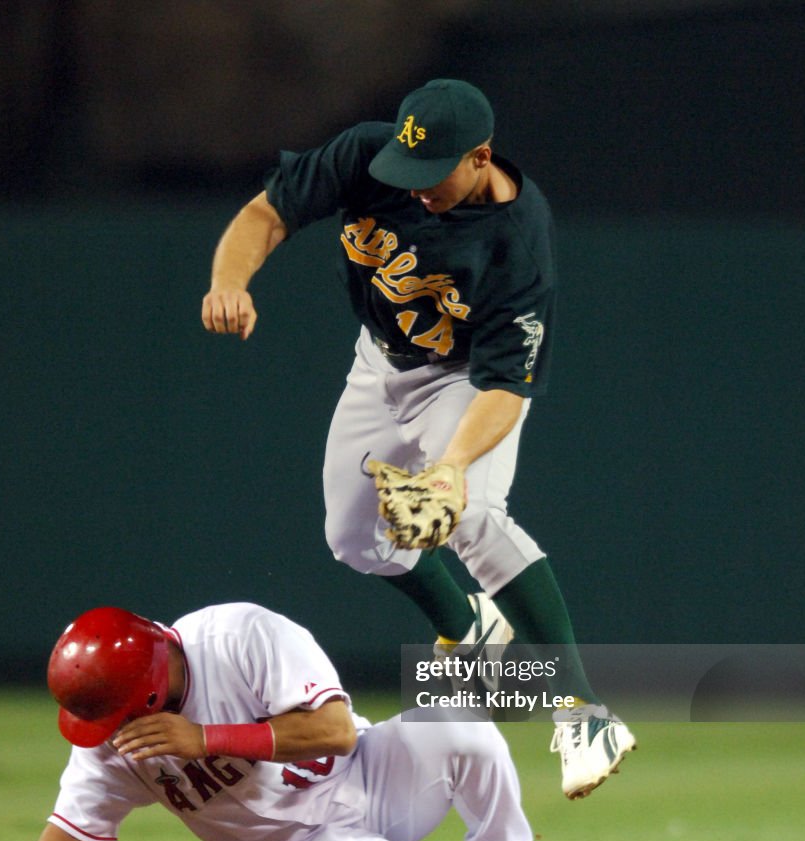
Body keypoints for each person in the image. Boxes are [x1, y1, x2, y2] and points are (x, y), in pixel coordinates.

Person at [200, 78, 635, 799]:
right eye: (410, 172)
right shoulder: (371, 155)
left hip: (466, 380)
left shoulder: (517, 240)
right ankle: (467, 625)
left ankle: (581, 710)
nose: (417, 190)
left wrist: (452, 466)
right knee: (353, 537)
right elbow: (266, 213)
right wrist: (230, 279)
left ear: (480, 157)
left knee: (467, 516)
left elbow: (506, 386)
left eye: (433, 177)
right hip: (380, 360)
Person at [0, 603, 616, 841]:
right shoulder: (115, 743)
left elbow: (334, 732)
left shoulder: (239, 635)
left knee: (459, 727)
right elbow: (69, 838)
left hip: (367, 771)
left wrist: (204, 738)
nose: (108, 731)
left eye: (113, 713)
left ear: (145, 687)